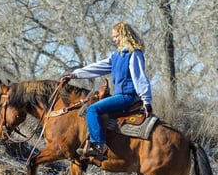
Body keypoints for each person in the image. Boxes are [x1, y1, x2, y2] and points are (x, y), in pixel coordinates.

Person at [62, 21, 153, 160]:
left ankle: (98, 145)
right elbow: (96, 68)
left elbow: (140, 77)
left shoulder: (134, 54)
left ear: (124, 36)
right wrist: (74, 74)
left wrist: (146, 100)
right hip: (120, 95)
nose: (114, 39)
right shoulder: (116, 56)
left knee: (93, 109)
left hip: (127, 96)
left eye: (116, 36)